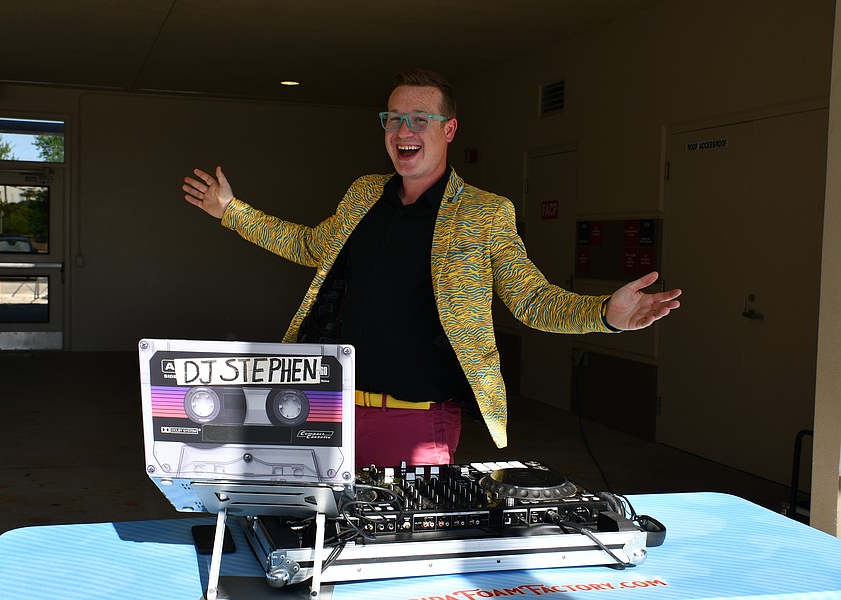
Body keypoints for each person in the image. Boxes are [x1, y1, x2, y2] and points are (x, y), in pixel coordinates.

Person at [183, 69, 681, 468]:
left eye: (420, 119)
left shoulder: (484, 212)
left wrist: (604, 314)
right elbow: (312, 246)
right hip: (327, 409)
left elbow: (530, 299)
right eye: (394, 119)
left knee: (402, 546)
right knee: (318, 536)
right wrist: (232, 212)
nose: (404, 131)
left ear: (449, 130)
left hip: (417, 423)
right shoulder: (363, 195)